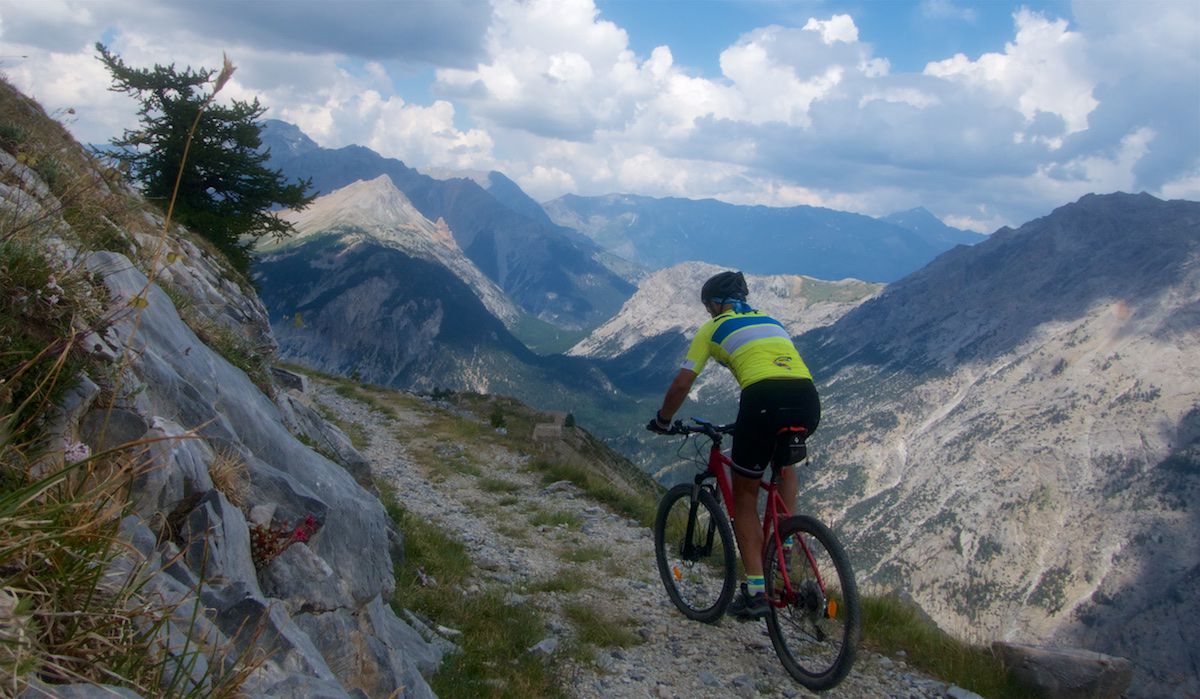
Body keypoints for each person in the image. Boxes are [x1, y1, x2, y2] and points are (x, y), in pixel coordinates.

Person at [647, 270, 820, 619]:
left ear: (714, 304)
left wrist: (663, 420)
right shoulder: (771, 320)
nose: (708, 313)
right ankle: (783, 542)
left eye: (708, 306)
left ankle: (756, 590)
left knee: (744, 495)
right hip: (807, 399)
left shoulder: (712, 329)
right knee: (783, 464)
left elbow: (682, 384)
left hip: (763, 400)